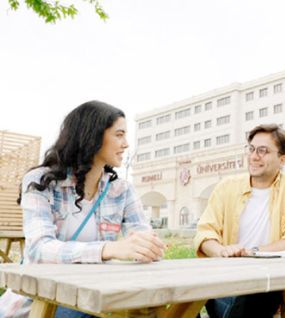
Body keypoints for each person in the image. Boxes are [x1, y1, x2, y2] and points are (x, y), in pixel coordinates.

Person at [0, 101, 165, 318]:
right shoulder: (41, 181)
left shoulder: (121, 190)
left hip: (95, 292)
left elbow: (141, 239)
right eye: (119, 134)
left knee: (155, 308)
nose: (126, 144)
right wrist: (109, 249)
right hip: (40, 302)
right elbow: (38, 249)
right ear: (93, 135)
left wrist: (147, 248)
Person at [194, 123, 285, 318]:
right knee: (179, 296)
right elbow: (205, 233)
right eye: (251, 149)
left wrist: (252, 253)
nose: (254, 156)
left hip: (267, 282)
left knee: (254, 295)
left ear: (282, 159)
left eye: (263, 151)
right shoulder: (226, 187)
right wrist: (222, 251)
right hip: (222, 280)